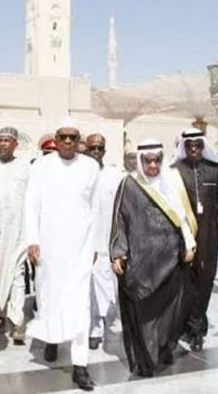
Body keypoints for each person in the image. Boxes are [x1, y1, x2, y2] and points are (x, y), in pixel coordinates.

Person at [24, 118, 101, 391]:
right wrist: (32, 240)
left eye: (73, 137)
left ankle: (80, 365)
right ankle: (52, 338)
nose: (68, 141)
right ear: (55, 140)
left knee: (80, 303)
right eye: (62, 137)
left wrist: (95, 246)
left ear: (79, 140)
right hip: (49, 245)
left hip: (80, 247)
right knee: (50, 296)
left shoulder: (91, 167)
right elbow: (31, 205)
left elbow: (96, 209)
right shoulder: (42, 166)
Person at [111, 139, 196, 377]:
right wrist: (118, 252)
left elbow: (182, 218)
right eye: (147, 160)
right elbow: (119, 220)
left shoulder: (171, 181)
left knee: (170, 312)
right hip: (141, 262)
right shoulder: (129, 184)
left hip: (171, 260)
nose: (152, 165)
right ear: (140, 161)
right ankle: (145, 360)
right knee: (143, 313)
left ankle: (161, 350)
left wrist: (189, 244)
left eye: (156, 160)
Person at [171, 128, 218, 352]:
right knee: (185, 281)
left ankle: (198, 328)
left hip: (208, 233)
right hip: (183, 235)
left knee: (205, 279)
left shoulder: (215, 171)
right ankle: (187, 324)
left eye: (198, 145)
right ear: (184, 147)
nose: (194, 149)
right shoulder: (174, 171)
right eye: (189, 146)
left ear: (203, 146)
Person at [0, 127, 30, 344]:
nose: (2, 144)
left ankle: (17, 320)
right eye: (0, 140)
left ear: (15, 145)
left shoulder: (25, 167)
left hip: (19, 230)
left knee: (17, 273)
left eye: (7, 141)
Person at [84, 133, 125, 350]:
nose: (96, 152)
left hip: (111, 241)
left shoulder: (114, 175)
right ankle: (95, 328)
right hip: (87, 243)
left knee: (115, 286)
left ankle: (121, 322)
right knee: (91, 288)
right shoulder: (80, 173)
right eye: (93, 148)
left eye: (100, 148)